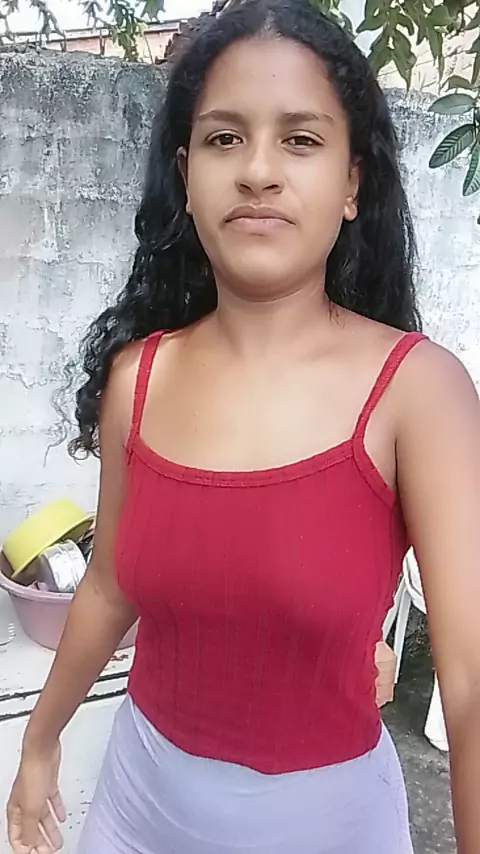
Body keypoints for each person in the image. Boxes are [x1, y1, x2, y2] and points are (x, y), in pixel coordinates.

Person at [7, 0, 480, 852]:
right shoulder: (138, 382)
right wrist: (39, 745)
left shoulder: (418, 393)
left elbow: (471, 679)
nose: (258, 170)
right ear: (186, 177)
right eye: (225, 138)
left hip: (328, 827)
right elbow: (108, 587)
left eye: (300, 139)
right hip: (135, 810)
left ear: (352, 184)